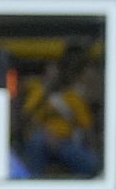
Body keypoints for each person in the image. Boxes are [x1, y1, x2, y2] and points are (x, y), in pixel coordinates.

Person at [20, 41, 99, 178]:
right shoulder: (37, 93)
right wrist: (46, 136)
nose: (53, 77)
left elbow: (87, 129)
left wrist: (91, 150)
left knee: (92, 164)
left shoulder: (72, 97)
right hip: (40, 140)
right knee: (37, 141)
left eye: (56, 72)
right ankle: (33, 184)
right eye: (49, 73)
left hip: (65, 143)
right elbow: (26, 119)